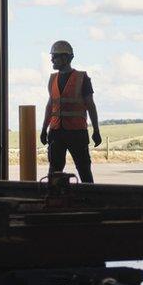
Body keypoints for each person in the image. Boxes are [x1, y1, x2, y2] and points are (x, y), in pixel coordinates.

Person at [39, 40, 101, 183]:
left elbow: (90, 105)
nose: (51, 60)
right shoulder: (52, 79)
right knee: (54, 170)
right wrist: (44, 128)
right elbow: (50, 105)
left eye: (55, 56)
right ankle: (54, 200)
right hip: (56, 132)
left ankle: (89, 199)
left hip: (77, 132)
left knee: (84, 169)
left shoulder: (81, 78)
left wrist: (96, 130)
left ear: (66, 58)